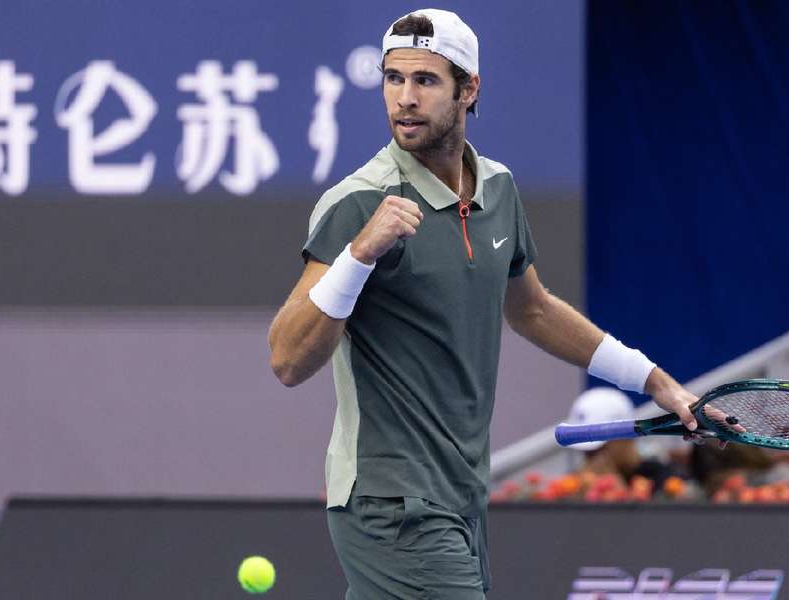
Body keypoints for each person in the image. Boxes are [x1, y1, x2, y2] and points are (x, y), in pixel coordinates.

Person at [267, 9, 699, 598]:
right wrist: (359, 254)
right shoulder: (358, 202)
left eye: (426, 80)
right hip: (392, 500)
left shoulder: (498, 189)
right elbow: (288, 359)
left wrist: (655, 381)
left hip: (462, 495)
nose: (404, 99)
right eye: (393, 79)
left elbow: (535, 310)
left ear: (469, 89)